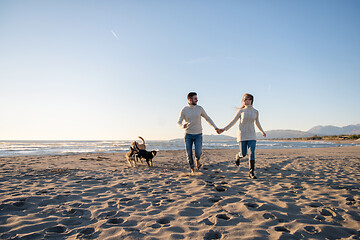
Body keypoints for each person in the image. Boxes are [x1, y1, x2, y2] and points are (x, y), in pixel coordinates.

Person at [218, 93, 266, 179]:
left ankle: (251, 172)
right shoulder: (241, 111)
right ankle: (238, 156)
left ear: (250, 100)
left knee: (252, 153)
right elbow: (233, 121)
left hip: (252, 136)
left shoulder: (255, 111)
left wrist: (262, 131)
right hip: (242, 136)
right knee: (243, 154)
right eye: (243, 99)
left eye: (246, 99)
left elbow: (257, 122)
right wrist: (224, 129)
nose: (244, 100)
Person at [177, 92, 220, 173]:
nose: (197, 99)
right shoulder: (184, 109)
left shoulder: (199, 108)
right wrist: (182, 126)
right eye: (195, 98)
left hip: (198, 134)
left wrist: (215, 127)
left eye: (197, 98)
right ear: (190, 99)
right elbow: (178, 122)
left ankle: (197, 161)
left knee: (198, 152)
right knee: (189, 154)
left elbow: (207, 118)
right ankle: (192, 169)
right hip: (188, 135)